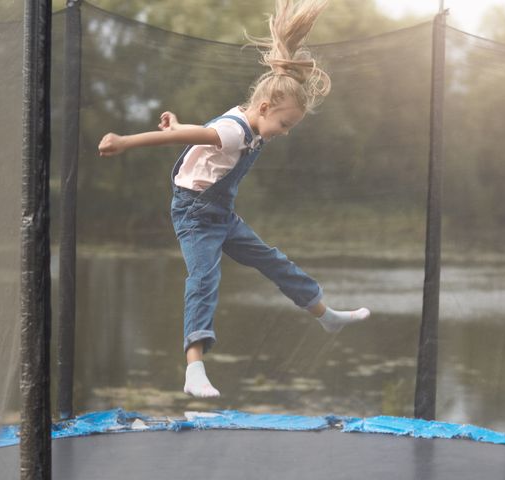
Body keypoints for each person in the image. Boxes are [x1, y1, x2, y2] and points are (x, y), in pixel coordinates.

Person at [98, 0, 370, 398]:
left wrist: (179, 122)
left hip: (219, 213)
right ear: (263, 108)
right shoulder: (236, 132)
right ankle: (194, 370)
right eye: (284, 123)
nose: (286, 131)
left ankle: (325, 315)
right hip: (194, 215)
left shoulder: (246, 121)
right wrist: (125, 141)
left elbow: (198, 130)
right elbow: (187, 138)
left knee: (272, 260)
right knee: (204, 279)